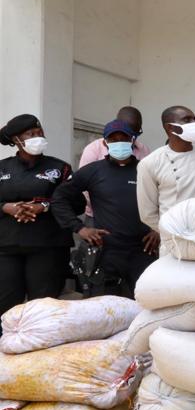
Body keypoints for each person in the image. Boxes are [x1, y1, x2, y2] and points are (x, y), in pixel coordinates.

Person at [52, 120, 158, 297]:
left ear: (132, 140)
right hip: (107, 250)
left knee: (146, 303)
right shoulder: (93, 171)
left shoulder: (147, 169)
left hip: (144, 250)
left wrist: (158, 229)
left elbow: (167, 200)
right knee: (104, 307)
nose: (119, 143)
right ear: (105, 143)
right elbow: (59, 198)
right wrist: (80, 228)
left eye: (123, 138)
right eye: (113, 139)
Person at [0, 114, 73, 317]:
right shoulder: (2, 168)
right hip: (6, 247)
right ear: (16, 140)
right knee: (6, 304)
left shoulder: (60, 168)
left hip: (47, 247)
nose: (37, 137)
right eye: (30, 134)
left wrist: (44, 205)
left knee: (43, 306)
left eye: (40, 132)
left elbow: (75, 203)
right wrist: (7, 207)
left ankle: (40, 347)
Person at [136, 105, 195, 231]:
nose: (194, 123)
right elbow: (147, 214)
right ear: (169, 127)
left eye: (194, 119)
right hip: (173, 237)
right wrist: (171, 231)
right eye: (187, 120)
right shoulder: (150, 163)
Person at [78, 106, 151, 221]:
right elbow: (83, 185)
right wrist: (103, 208)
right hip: (98, 215)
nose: (122, 140)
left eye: (134, 132)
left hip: (136, 217)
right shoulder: (94, 148)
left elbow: (148, 183)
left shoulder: (144, 150)